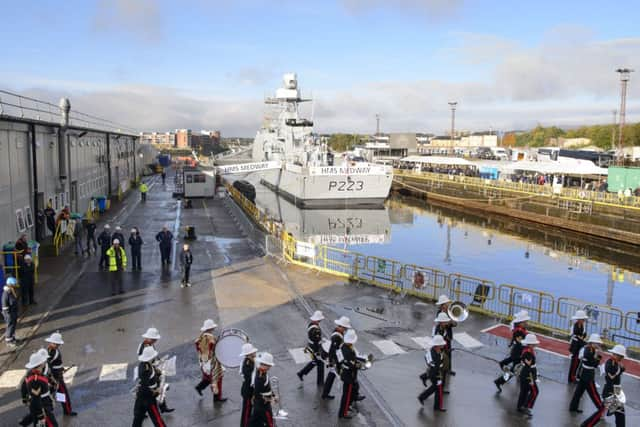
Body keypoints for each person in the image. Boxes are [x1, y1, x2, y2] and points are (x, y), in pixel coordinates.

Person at [581, 344, 626, 427]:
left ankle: (586, 425)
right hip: (610, 392)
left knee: (619, 413)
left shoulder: (616, 363)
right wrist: (621, 370)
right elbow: (611, 377)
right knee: (612, 413)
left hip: (616, 390)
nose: (621, 358)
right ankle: (586, 425)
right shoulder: (610, 363)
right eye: (620, 356)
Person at [137, 328, 174, 414]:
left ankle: (162, 406)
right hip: (150, 370)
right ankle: (157, 407)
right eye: (155, 339)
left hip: (152, 368)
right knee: (151, 389)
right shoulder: (146, 346)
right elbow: (146, 359)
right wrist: (156, 364)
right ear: (151, 338)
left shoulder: (148, 344)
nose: (156, 341)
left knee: (158, 386)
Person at [20, 350, 58, 427]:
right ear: (39, 365)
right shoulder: (34, 380)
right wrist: (41, 415)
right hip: (42, 407)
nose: (45, 363)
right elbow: (36, 399)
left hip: (44, 404)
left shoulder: (37, 374)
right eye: (43, 362)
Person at [494, 311, 529, 392]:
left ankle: (502, 364)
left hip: (517, 351)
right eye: (525, 322)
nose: (527, 323)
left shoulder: (521, 329)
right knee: (514, 370)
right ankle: (499, 381)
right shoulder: (519, 331)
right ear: (521, 322)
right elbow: (520, 341)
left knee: (512, 362)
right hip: (518, 352)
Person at [132, 346, 167, 427]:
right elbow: (145, 387)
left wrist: (157, 373)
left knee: (138, 418)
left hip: (141, 397)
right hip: (147, 398)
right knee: (157, 419)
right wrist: (156, 392)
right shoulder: (146, 369)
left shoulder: (146, 364)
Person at [570, 333, 604, 414]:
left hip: (584, 373)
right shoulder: (589, 351)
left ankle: (573, 407)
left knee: (579, 392)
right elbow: (594, 364)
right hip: (588, 374)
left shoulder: (589, 349)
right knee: (594, 393)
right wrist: (599, 357)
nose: (599, 345)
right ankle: (600, 408)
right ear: (592, 343)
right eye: (597, 343)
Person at [194, 319, 226, 402]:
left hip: (203, 362)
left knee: (208, 377)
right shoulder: (211, 339)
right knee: (217, 379)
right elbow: (216, 350)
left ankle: (199, 387)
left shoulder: (200, 338)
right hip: (212, 362)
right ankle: (217, 397)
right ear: (211, 328)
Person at [45, 332, 77, 416]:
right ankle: (67, 410)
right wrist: (53, 377)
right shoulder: (51, 352)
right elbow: (48, 366)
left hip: (56, 376)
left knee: (55, 394)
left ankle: (64, 409)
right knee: (62, 393)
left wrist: (60, 368)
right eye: (56, 343)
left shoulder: (51, 350)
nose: (57, 345)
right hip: (56, 377)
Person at [322, 315, 351, 400]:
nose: (345, 330)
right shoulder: (337, 336)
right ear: (341, 326)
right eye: (345, 328)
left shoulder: (338, 333)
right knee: (342, 376)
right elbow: (332, 350)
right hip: (335, 359)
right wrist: (333, 362)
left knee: (331, 376)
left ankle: (325, 393)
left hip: (335, 359)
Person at [418, 334, 447, 412]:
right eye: (441, 344)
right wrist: (438, 377)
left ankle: (423, 397)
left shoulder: (436, 351)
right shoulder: (434, 354)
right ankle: (436, 406)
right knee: (437, 389)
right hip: (434, 374)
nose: (443, 345)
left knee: (435, 388)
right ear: (437, 345)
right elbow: (436, 366)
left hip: (435, 372)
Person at [338, 329, 362, 419]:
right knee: (346, 396)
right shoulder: (348, 351)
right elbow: (352, 364)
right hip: (349, 376)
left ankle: (346, 409)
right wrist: (358, 365)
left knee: (348, 394)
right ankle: (343, 413)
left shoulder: (344, 346)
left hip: (345, 373)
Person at [297, 310, 325, 386]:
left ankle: (301, 373)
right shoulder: (316, 329)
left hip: (311, 346)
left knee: (315, 362)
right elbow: (316, 341)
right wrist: (318, 352)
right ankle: (320, 382)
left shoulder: (311, 325)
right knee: (320, 364)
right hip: (315, 348)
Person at [516, 333, 540, 417]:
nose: (535, 344)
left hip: (527, 372)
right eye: (534, 343)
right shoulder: (528, 352)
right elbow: (529, 364)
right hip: (528, 374)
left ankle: (520, 406)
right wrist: (532, 377)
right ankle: (526, 406)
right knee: (535, 391)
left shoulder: (528, 350)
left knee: (524, 391)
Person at [250, 352, 276, 427]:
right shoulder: (261, 377)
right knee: (270, 423)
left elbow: (267, 388)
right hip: (263, 406)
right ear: (266, 365)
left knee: (254, 422)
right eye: (269, 365)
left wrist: (273, 395)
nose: (270, 367)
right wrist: (271, 399)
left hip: (258, 405)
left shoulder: (261, 372)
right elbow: (259, 394)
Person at [434, 294, 457, 376]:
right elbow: (441, 323)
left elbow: (455, 324)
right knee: (442, 353)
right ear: (442, 305)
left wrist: (453, 322)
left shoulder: (450, 312)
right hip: (442, 336)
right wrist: (448, 322)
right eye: (445, 304)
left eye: (447, 304)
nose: (447, 305)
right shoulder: (439, 313)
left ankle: (448, 370)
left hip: (448, 336)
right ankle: (440, 368)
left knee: (449, 353)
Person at [239, 343, 258, 427]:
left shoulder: (250, 361)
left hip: (249, 390)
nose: (255, 353)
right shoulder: (248, 363)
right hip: (248, 391)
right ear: (249, 354)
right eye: (253, 352)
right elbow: (249, 378)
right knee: (246, 411)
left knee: (249, 410)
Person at [568, 309, 589, 383]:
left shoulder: (582, 325)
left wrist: (583, 339)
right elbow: (576, 335)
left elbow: (583, 335)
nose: (584, 320)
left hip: (580, 344)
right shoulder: (575, 326)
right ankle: (571, 377)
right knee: (574, 362)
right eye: (583, 319)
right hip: (576, 345)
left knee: (578, 362)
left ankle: (575, 376)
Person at [2, 277, 19, 347]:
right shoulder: (6, 293)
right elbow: (5, 305)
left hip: (13, 312)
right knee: (10, 326)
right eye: (14, 284)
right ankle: (8, 340)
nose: (15, 285)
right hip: (9, 314)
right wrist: (9, 315)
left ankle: (12, 337)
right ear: (10, 284)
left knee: (13, 325)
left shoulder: (12, 291)